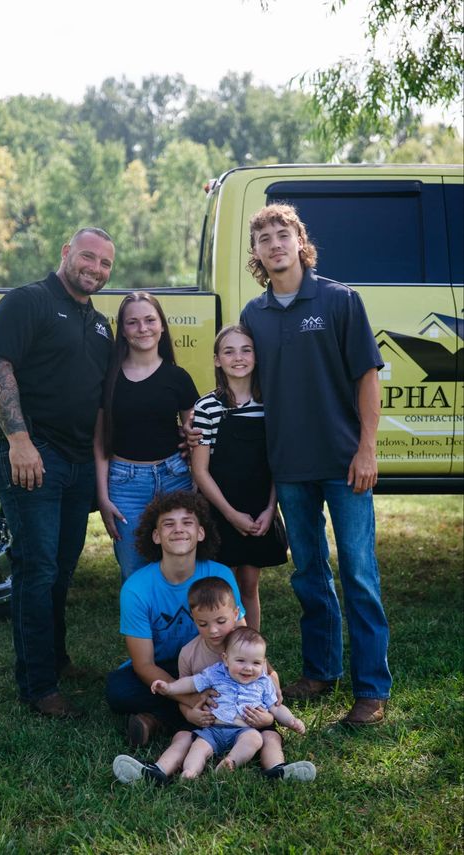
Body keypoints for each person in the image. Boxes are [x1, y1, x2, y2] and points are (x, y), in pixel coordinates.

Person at [241, 202, 392, 726]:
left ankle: (371, 690)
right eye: (264, 239)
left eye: (283, 234)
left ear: (299, 241)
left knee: (358, 573)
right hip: (288, 465)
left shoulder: (339, 300)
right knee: (309, 574)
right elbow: (245, 386)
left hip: (344, 461)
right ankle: (320, 671)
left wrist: (367, 448)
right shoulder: (253, 315)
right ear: (257, 254)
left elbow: (367, 377)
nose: (274, 244)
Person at [0, 227, 116, 718]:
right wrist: (19, 441)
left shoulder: (100, 325)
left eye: (104, 264)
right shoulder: (27, 302)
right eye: (87, 257)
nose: (95, 269)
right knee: (36, 572)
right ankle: (38, 687)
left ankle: (55, 660)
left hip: (78, 464)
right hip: (34, 456)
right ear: (66, 253)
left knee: (59, 571)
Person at [113, 577, 315, 785]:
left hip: (251, 724)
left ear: (236, 614)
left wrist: (275, 720)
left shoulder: (249, 648)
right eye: (203, 623)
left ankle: (277, 770)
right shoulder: (189, 654)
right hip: (208, 724)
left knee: (270, 738)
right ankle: (157, 771)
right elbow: (186, 694)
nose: (214, 630)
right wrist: (190, 713)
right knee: (182, 738)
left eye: (221, 621)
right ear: (194, 619)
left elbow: (271, 700)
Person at [105, 491, 247, 747]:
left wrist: (267, 673)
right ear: (156, 536)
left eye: (187, 522)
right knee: (118, 689)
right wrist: (190, 698)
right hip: (162, 667)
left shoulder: (220, 575)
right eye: (168, 524)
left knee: (242, 684)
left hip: (211, 666)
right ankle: (195, 716)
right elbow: (144, 664)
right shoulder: (136, 588)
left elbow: (240, 639)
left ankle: (155, 721)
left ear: (201, 533)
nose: (178, 529)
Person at [94, 292, 198, 582]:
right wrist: (102, 496)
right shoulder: (109, 378)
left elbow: (196, 435)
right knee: (133, 569)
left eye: (150, 320)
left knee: (182, 565)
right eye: (133, 322)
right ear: (123, 331)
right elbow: (101, 440)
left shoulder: (178, 377)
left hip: (174, 476)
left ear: (162, 326)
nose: (143, 328)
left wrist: (190, 444)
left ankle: (181, 627)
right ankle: (140, 628)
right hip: (125, 484)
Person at [191, 324, 287, 630]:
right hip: (221, 509)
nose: (239, 357)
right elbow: (200, 470)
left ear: (257, 357)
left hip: (260, 509)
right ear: (217, 360)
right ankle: (222, 654)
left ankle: (251, 652)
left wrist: (270, 510)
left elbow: (278, 464)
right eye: (229, 351)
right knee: (222, 588)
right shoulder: (207, 407)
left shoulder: (271, 405)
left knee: (248, 586)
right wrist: (231, 515)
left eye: (246, 349)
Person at [148, 627, 313, 779]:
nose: (248, 668)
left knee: (255, 739)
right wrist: (169, 688)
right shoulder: (216, 672)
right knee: (198, 747)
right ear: (226, 659)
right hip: (213, 730)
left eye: (255, 663)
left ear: (263, 664)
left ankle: (231, 762)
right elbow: (191, 682)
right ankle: (190, 772)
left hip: (244, 730)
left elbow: (276, 708)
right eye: (241, 661)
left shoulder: (264, 682)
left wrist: (291, 721)